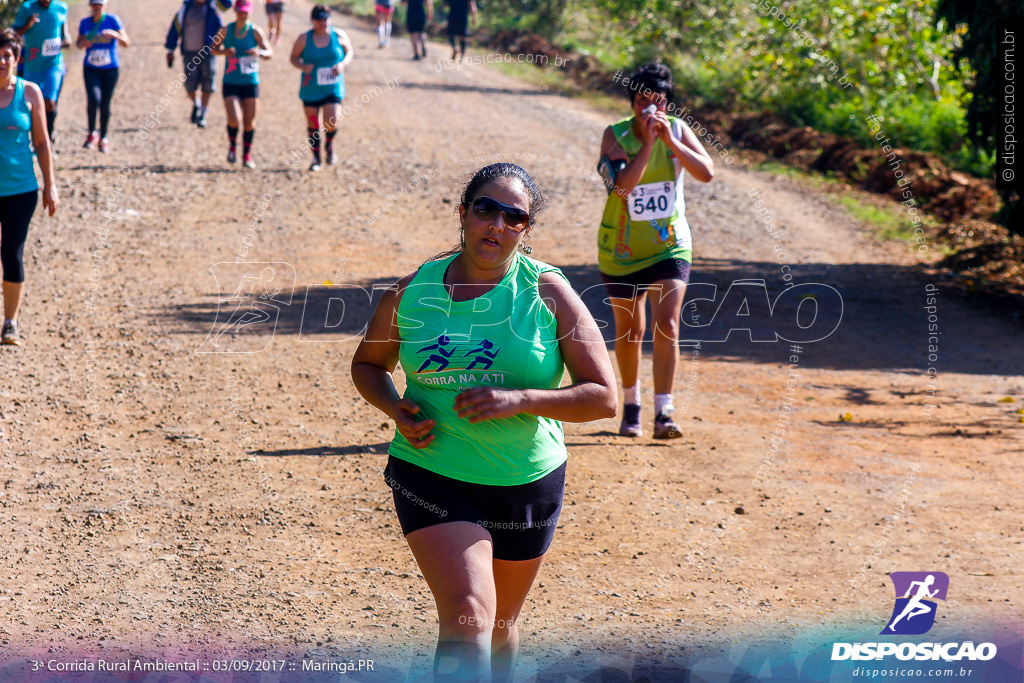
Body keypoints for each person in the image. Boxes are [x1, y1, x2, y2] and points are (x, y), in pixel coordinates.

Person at [352, 163, 616, 682]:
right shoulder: (411, 293)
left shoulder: (548, 293)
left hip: (526, 479)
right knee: (468, 614)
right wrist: (394, 406)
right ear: (464, 213)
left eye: (513, 216)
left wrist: (520, 399)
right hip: (432, 470)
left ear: (525, 230)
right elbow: (368, 365)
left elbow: (604, 397)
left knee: (499, 627)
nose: (496, 223)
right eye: (485, 209)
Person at [596, 63, 714, 439]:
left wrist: (669, 142)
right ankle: (631, 403)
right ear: (632, 103)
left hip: (670, 245)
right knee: (631, 330)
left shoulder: (678, 130)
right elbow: (620, 189)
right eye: (642, 101)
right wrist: (648, 145)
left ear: (668, 105)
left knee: (668, 323)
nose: (649, 109)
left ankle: (665, 411)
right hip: (623, 248)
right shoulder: (614, 136)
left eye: (657, 102)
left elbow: (707, 172)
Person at [0, 30, 59, 346]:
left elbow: (41, 142)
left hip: (21, 189)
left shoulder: (30, 92)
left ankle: (10, 322)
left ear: (17, 59)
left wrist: (51, 185)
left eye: (7, 55)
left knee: (12, 252)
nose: (1, 60)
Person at [289, 5, 352, 172]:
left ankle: (329, 146)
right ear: (313, 21)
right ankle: (316, 158)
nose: (323, 22)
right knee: (313, 124)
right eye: (319, 19)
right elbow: (293, 58)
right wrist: (302, 66)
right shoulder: (304, 39)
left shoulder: (338, 35)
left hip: (333, 87)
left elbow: (349, 51)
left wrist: (342, 64)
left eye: (326, 19)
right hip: (311, 88)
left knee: (331, 120)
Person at [212, 0, 271, 168]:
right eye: (239, 11)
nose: (242, 15)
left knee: (249, 122)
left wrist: (259, 52)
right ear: (235, 11)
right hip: (231, 81)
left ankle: (246, 155)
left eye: (245, 12)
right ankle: (232, 147)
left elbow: (269, 52)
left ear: (249, 12)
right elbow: (212, 48)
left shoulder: (255, 31)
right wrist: (224, 52)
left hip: (250, 82)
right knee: (234, 118)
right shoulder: (226, 30)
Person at [165, 0, 233, 128]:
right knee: (190, 85)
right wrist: (170, 49)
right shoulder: (185, 9)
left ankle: (202, 114)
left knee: (208, 85)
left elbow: (228, 3)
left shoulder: (215, 7)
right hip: (189, 53)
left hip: (208, 53)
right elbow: (175, 29)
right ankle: (196, 104)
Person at [12, 0, 70, 143]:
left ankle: (48, 140)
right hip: (33, 65)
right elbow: (14, 34)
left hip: (54, 63)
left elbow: (64, 33)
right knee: (30, 105)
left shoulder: (61, 8)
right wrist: (28, 24)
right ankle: (32, 140)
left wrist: (67, 40)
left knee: (50, 101)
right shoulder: (27, 8)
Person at [76, 0, 129, 153]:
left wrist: (115, 35)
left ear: (105, 5)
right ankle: (91, 132)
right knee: (93, 99)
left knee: (105, 103)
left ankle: (103, 137)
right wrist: (84, 43)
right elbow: (78, 45)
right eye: (94, 5)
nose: (97, 8)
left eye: (100, 5)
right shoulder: (85, 23)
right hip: (91, 68)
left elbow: (126, 42)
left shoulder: (113, 20)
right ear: (90, 6)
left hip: (110, 69)